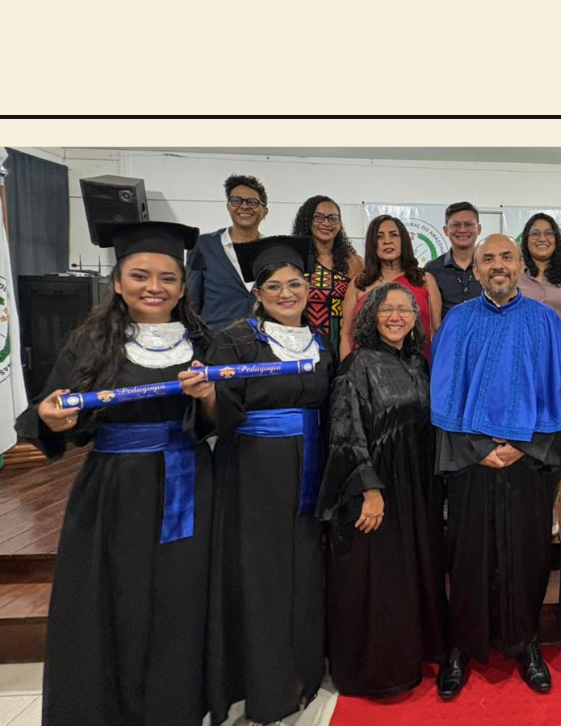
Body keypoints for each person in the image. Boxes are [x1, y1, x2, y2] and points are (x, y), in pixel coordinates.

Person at [15, 221, 215, 726]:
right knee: (117, 598)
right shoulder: (91, 343)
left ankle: (175, 709)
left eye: (167, 278)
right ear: (118, 282)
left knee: (182, 597)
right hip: (115, 488)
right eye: (140, 276)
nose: (154, 287)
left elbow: (223, 417)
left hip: (189, 483)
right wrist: (52, 418)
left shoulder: (201, 341)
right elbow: (46, 409)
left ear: (182, 287)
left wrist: (211, 399)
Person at [430, 234, 561, 699]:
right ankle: (462, 645)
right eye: (488, 258)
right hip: (472, 460)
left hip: (527, 459)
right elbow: (444, 391)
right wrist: (477, 448)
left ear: (520, 267)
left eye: (506, 257)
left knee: (528, 556)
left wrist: (523, 445)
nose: (498, 265)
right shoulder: (458, 320)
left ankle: (526, 642)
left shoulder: (545, 320)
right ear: (475, 270)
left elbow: (559, 390)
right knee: (468, 556)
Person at [204, 236, 334, 726]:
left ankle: (303, 673)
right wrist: (207, 395)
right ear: (257, 293)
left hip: (310, 468)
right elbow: (220, 412)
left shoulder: (319, 342)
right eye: (273, 286)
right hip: (254, 472)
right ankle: (266, 687)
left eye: (294, 284)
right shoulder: (236, 341)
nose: (286, 293)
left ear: (308, 289)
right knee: (263, 575)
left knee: (305, 571)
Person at [316, 283, 447, 698]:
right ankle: (378, 674)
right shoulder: (356, 366)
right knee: (379, 581)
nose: (396, 317)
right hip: (377, 488)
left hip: (416, 488)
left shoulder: (418, 363)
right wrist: (369, 490)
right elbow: (345, 433)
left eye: (404, 310)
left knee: (411, 574)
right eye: (386, 309)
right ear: (370, 316)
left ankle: (416, 656)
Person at [340, 215, 441, 360]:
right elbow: (347, 334)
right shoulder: (359, 283)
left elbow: (438, 331)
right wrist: (347, 370)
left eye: (394, 235)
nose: (387, 241)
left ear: (404, 241)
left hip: (417, 366)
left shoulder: (425, 280)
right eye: (379, 237)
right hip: (367, 368)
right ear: (372, 244)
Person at [186, 174, 269, 331]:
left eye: (252, 202)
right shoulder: (203, 245)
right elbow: (191, 301)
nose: (244, 206)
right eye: (236, 200)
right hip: (215, 339)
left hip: (262, 338)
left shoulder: (272, 251)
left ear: (264, 211)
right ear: (229, 206)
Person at [292, 194, 364, 357]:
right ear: (308, 220)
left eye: (333, 218)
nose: (326, 223)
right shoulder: (294, 258)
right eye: (318, 217)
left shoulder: (354, 262)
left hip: (341, 347)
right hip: (301, 346)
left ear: (340, 224)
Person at [517, 211, 561, 325]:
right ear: (526, 240)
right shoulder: (515, 277)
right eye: (535, 234)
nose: (542, 239)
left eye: (549, 233)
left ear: (556, 239)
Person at [425, 201, 483, 316]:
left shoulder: (489, 266)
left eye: (469, 224)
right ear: (446, 230)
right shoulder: (432, 269)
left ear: (479, 229)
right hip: (447, 328)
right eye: (456, 225)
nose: (462, 230)